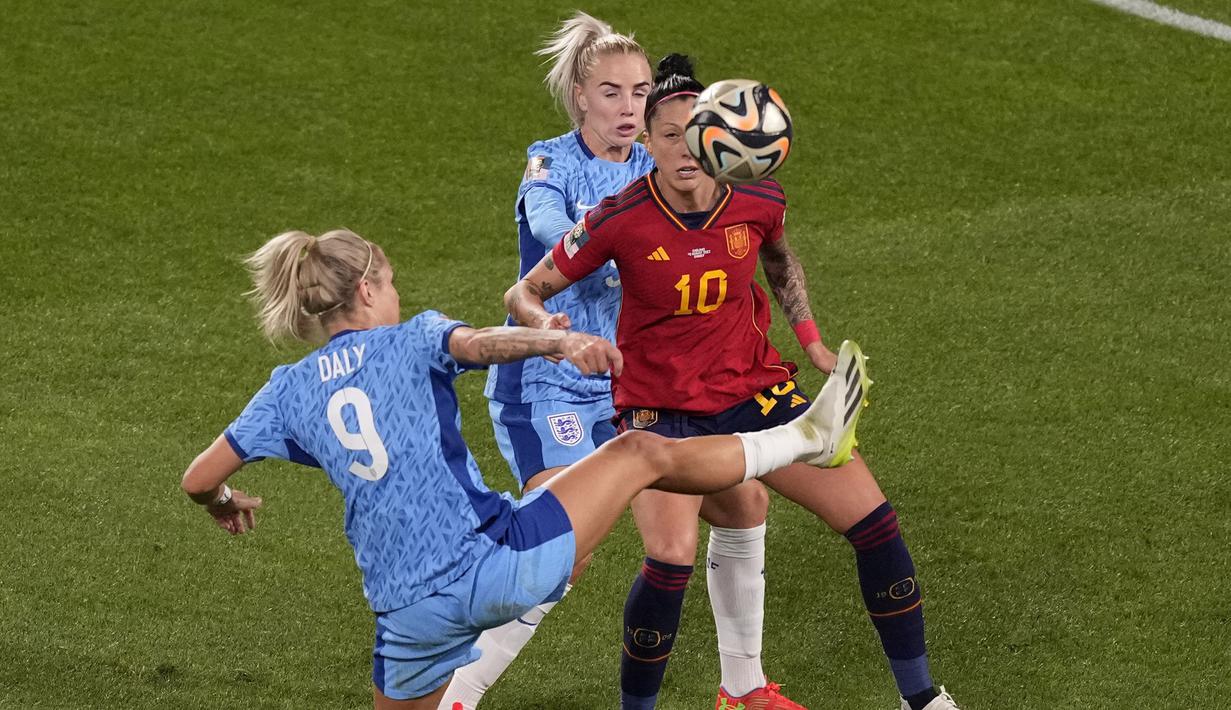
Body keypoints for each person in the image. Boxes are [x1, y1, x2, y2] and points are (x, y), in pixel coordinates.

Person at [180, 229, 871, 710]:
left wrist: (224, 499)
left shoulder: (286, 390)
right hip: (498, 565)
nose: (394, 293)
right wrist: (559, 340)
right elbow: (483, 343)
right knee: (636, 453)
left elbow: (197, 478)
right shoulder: (410, 337)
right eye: (388, 283)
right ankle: (805, 435)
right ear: (365, 289)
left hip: (406, 617)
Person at [504, 56, 962, 710]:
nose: (683, 148)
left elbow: (779, 260)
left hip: (754, 394)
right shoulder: (617, 217)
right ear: (649, 144)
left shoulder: (758, 197)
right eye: (666, 135)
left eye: (694, 133)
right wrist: (548, 329)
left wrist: (810, 342)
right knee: (669, 561)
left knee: (875, 524)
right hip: (659, 413)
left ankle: (921, 700)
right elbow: (524, 288)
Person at [443, 12, 656, 710]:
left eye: (641, 92)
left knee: (729, 506)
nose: (629, 108)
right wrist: (623, 238)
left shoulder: (657, 163)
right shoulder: (550, 162)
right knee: (563, 545)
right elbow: (548, 229)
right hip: (547, 384)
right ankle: (455, 689)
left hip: (628, 381)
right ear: (580, 98)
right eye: (612, 92)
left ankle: (741, 683)